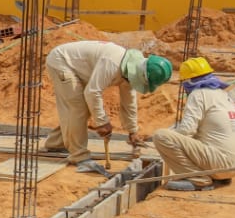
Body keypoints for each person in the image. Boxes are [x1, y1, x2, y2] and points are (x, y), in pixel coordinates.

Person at [43, 41, 172, 174]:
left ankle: (56, 143)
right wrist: (102, 122)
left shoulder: (131, 68)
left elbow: (129, 102)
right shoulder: (112, 64)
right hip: (62, 62)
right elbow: (93, 92)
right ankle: (79, 157)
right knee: (78, 108)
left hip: (78, 68)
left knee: (81, 108)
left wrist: (132, 131)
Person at [150, 57, 235, 191]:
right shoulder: (223, 95)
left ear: (188, 81)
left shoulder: (198, 94)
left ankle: (198, 179)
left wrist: (171, 140)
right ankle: (218, 177)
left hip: (224, 164)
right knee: (204, 134)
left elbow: (186, 130)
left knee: (161, 136)